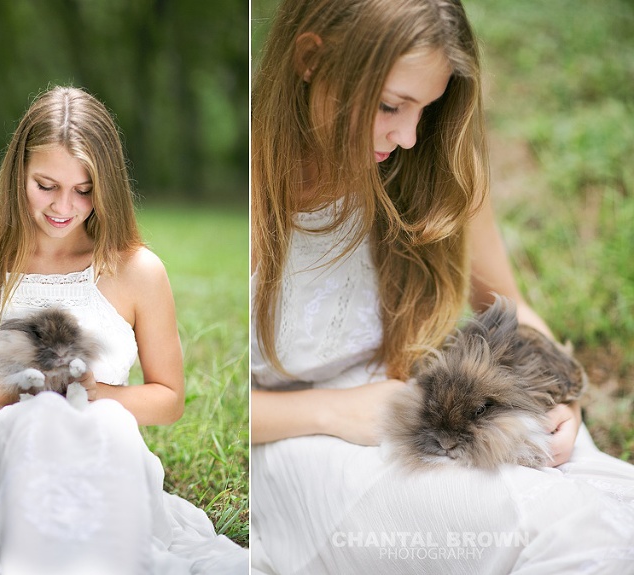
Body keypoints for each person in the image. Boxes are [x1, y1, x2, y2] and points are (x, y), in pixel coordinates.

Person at [250, 1, 634, 573]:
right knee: (561, 534)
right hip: (304, 441)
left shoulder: (431, 163)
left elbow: (510, 306)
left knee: (616, 515)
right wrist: (333, 411)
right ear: (311, 58)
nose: (408, 136)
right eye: (389, 106)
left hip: (430, 410)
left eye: (426, 109)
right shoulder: (254, 187)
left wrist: (560, 396)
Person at [0, 86, 248, 575]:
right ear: (18, 175)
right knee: (35, 424)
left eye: (84, 189)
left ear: (106, 185)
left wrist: (95, 394)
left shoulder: (138, 271)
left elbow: (168, 398)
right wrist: (6, 399)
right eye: (46, 185)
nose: (63, 207)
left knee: (109, 426)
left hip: (98, 451)